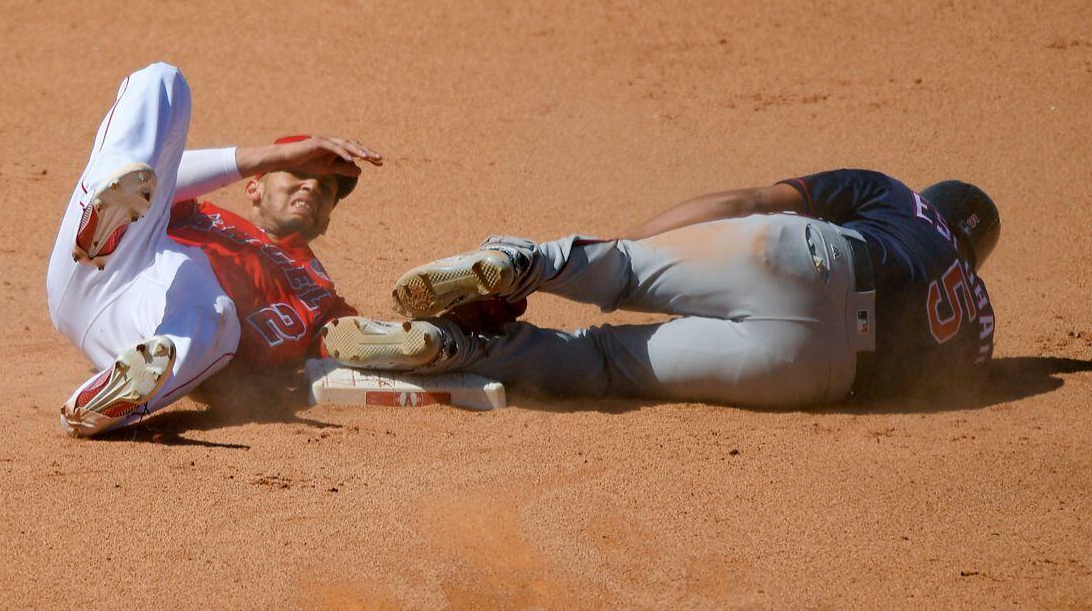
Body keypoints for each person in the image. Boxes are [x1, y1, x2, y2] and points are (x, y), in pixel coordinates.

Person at [319, 170, 999, 408]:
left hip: (814, 258)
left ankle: (520, 263)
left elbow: (745, 198)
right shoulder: (979, 327)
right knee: (603, 366)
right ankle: (446, 349)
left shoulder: (901, 200)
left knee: (624, 271)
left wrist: (636, 248)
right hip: (810, 371)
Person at [46, 62, 382, 437]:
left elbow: (360, 342)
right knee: (164, 80)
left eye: (326, 189)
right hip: (98, 258)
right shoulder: (199, 211)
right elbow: (164, 177)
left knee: (219, 315)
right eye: (299, 173)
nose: (311, 188)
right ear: (254, 187)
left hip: (144, 322)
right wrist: (276, 156)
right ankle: (104, 215)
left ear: (327, 220)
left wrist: (447, 335)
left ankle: (95, 403)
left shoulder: (317, 292)